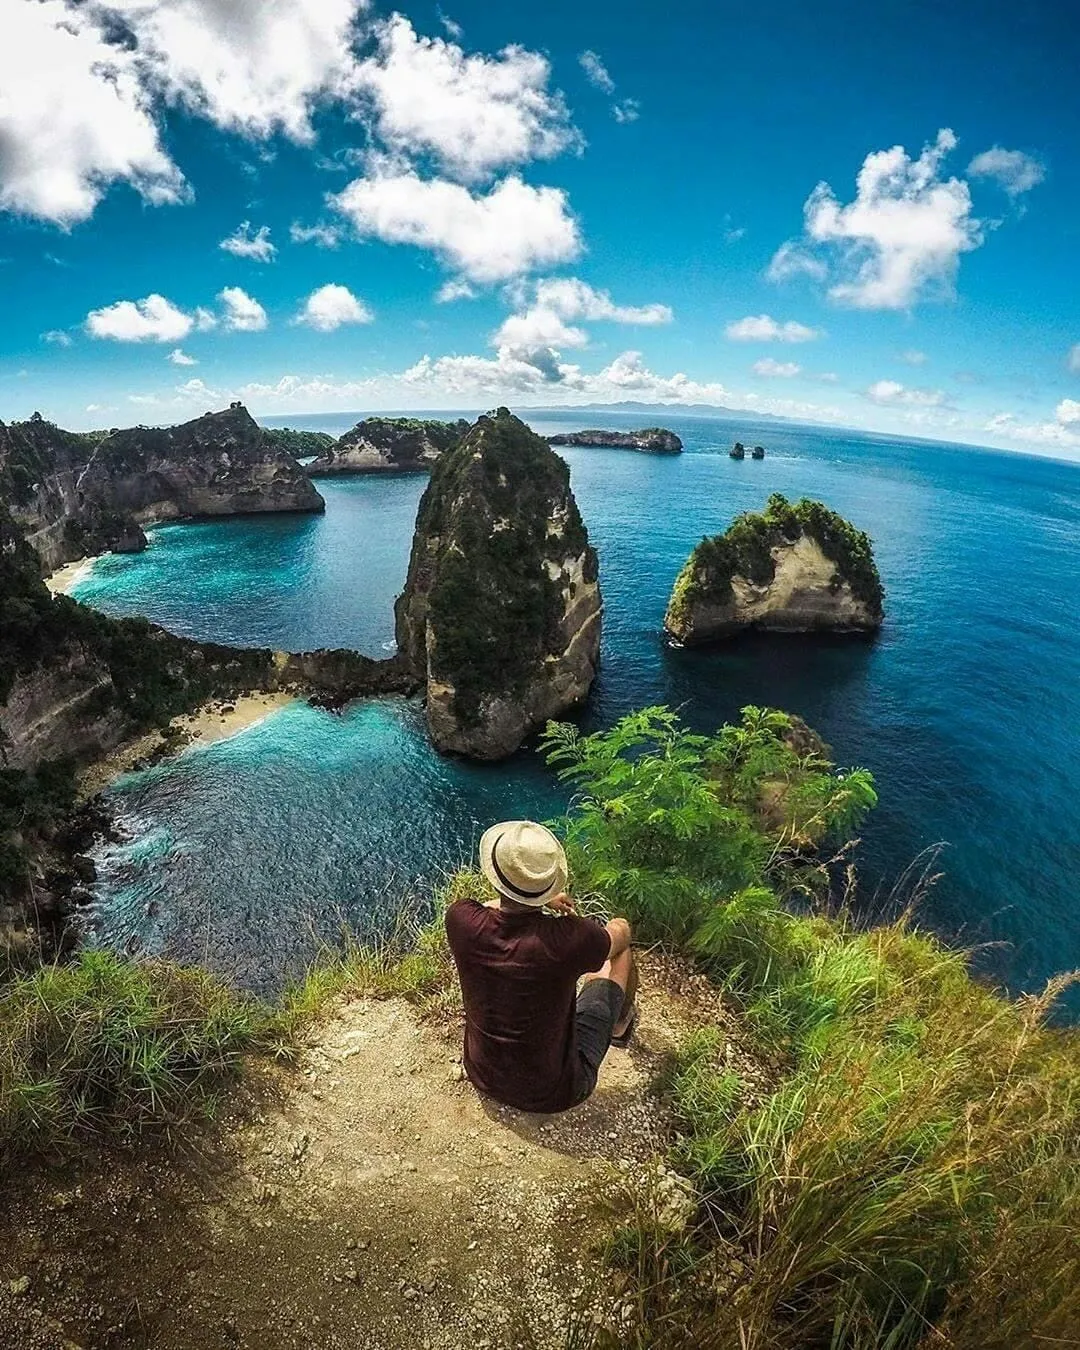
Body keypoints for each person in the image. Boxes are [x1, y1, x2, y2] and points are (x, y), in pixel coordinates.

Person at [444, 819, 639, 1114]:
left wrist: (536, 898)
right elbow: (619, 934)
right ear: (548, 883)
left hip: (482, 1073)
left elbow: (489, 908)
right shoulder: (569, 939)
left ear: (495, 873)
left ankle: (617, 1022)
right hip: (555, 1093)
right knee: (618, 950)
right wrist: (546, 900)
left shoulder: (460, 919)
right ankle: (621, 1024)